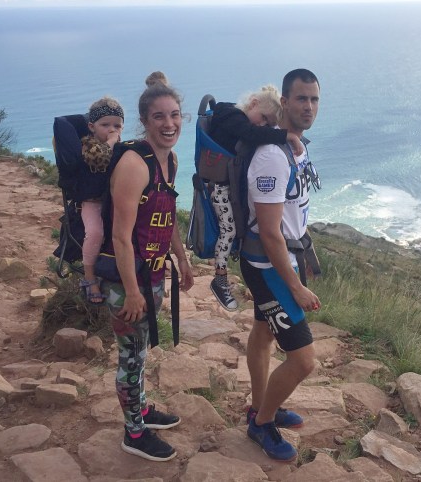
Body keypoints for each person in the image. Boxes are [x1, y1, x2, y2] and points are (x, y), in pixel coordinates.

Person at [103, 72, 194, 462]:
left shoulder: (169, 160)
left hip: (153, 272)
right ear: (144, 121)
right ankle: (134, 434)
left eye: (174, 115)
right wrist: (132, 291)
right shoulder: (134, 165)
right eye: (159, 116)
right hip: (127, 280)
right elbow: (120, 236)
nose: (169, 123)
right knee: (130, 356)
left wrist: (182, 258)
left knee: (139, 352)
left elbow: (167, 215)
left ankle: (140, 409)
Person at [241, 69, 322, 461]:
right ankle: (262, 422)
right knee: (303, 361)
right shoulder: (272, 157)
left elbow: (293, 214)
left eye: (314, 99)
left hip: (284, 260)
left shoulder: (296, 147)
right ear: (284, 102)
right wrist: (295, 286)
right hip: (268, 267)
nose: (309, 106)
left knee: (263, 334)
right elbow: (271, 233)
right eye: (301, 99)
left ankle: (260, 404)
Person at [206, 85, 304, 311]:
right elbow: (252, 134)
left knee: (234, 229)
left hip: (228, 187)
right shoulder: (230, 115)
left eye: (269, 124)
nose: (263, 126)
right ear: (253, 103)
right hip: (219, 188)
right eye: (264, 118)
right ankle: (219, 279)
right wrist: (287, 135)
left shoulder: (237, 118)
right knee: (228, 231)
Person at [78, 97, 124, 304]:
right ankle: (89, 278)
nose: (111, 130)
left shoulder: (120, 146)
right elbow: (99, 158)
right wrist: (112, 142)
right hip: (92, 201)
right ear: (92, 126)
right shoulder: (88, 145)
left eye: (117, 126)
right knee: (95, 232)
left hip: (113, 200)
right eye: (105, 125)